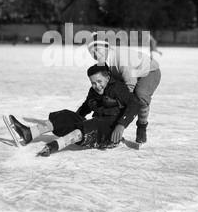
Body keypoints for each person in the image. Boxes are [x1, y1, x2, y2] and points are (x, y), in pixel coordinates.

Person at [9, 64, 140, 157]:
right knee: (66, 115)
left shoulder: (118, 88)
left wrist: (121, 125)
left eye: (99, 81)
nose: (96, 86)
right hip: (95, 128)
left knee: (89, 125)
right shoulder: (93, 91)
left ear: (107, 77)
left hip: (109, 134)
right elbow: (85, 108)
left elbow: (135, 103)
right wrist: (71, 121)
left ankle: (54, 146)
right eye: (93, 83)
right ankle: (29, 133)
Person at [87, 32, 161, 145]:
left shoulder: (121, 59)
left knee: (140, 95)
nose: (96, 54)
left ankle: (142, 126)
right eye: (92, 52)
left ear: (106, 47)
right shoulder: (105, 63)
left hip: (149, 71)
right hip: (132, 73)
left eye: (98, 49)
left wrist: (117, 104)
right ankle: (109, 128)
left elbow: (128, 89)